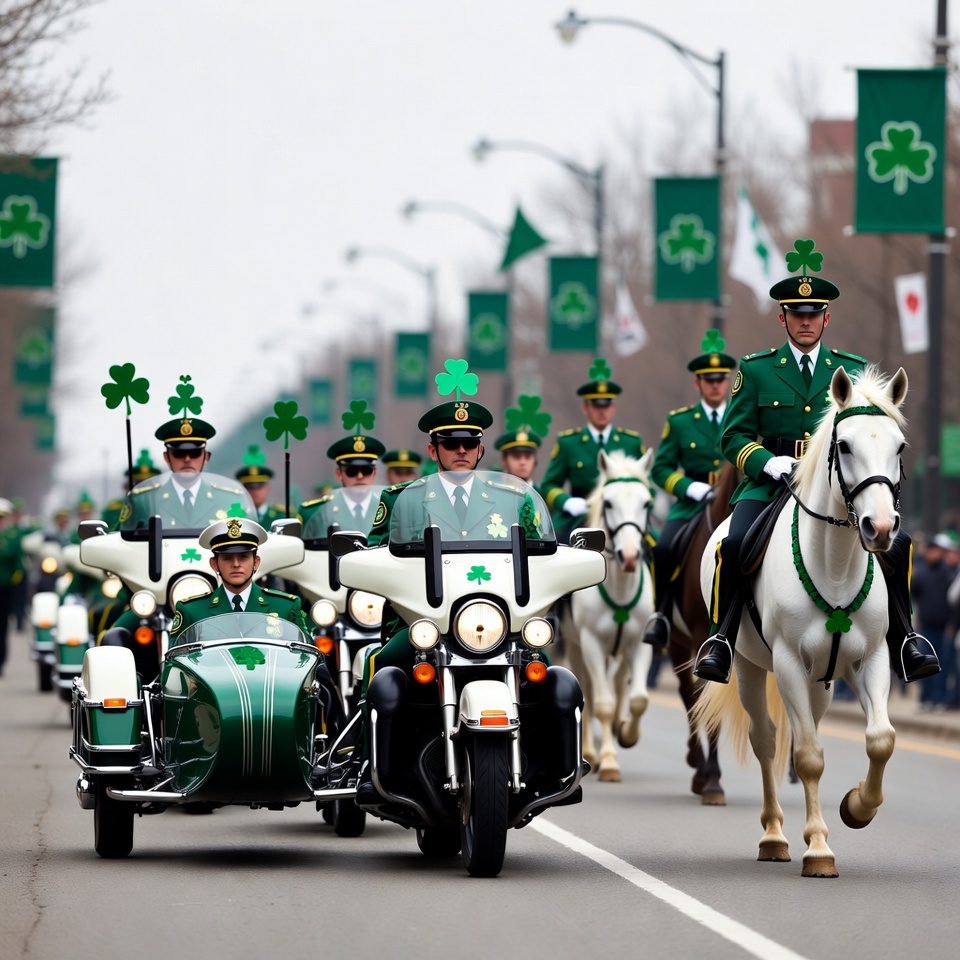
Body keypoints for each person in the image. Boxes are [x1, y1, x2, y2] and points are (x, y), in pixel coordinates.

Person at [694, 240, 939, 685]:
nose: (805, 321)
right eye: (796, 314)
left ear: (826, 318)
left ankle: (906, 639)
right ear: (782, 318)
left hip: (837, 485)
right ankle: (721, 640)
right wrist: (768, 464)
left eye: (814, 314)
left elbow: (869, 433)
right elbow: (731, 437)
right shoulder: (756, 369)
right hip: (771, 484)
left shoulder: (852, 369)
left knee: (898, 544)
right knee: (734, 544)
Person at [365, 394, 543, 671]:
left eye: (469, 443)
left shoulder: (514, 500)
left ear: (480, 450)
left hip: (501, 621)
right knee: (383, 668)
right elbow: (373, 556)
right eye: (450, 443)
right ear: (433, 450)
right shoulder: (402, 499)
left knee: (548, 674)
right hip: (422, 621)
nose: (461, 450)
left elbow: (539, 558)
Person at [643, 332, 736, 647]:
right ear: (698, 383)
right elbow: (660, 469)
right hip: (692, 504)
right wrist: (689, 488)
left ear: (728, 382)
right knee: (663, 548)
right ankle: (661, 615)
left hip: (737, 499)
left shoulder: (741, 417)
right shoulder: (680, 422)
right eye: (709, 380)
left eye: (720, 379)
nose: (715, 385)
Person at [540, 358, 644, 542]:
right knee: (555, 546)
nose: (601, 411)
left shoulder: (631, 443)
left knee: (659, 547)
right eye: (596, 405)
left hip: (623, 513)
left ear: (613, 408)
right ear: (585, 408)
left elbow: (646, 483)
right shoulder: (568, 443)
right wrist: (566, 502)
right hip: (580, 515)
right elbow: (549, 485)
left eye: (606, 405)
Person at [169, 517, 308, 642]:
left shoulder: (286, 608)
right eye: (227, 558)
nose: (236, 564)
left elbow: (305, 657)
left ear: (256, 562)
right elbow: (175, 660)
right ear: (214, 564)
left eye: (243, 557)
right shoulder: (192, 611)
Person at [121, 415, 247, 528]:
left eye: (195, 453)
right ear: (166, 458)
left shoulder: (230, 499)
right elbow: (122, 541)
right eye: (179, 453)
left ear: (206, 457)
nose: (187, 459)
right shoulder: (143, 500)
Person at [298, 402, 385, 532]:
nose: (360, 476)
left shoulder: (389, 509)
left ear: (374, 473)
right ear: (339, 474)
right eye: (352, 471)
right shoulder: (317, 512)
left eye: (366, 470)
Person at [912, 533, 958, 709]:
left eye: (935, 550)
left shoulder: (948, 572)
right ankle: (925, 699)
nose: (932, 553)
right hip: (926, 627)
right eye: (930, 550)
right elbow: (914, 595)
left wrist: (951, 624)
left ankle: (939, 699)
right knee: (925, 664)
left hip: (945, 627)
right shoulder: (921, 572)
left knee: (942, 665)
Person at [0, 498, 27, 677]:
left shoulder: (13, 538)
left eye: (2, 518)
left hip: (4, 590)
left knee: (2, 627)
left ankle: (0, 662)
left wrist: (13, 585)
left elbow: (19, 566)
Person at [236, 444, 285, 527]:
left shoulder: (282, 516)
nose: (254, 491)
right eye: (249, 487)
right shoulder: (236, 518)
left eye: (259, 486)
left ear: (268, 487)